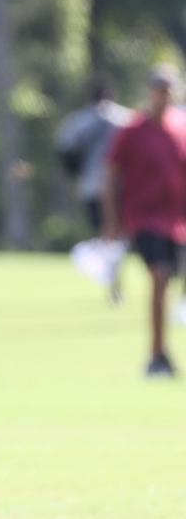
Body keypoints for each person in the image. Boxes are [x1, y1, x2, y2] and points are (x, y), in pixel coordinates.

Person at [102, 64, 186, 377]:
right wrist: (112, 222)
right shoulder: (133, 131)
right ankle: (156, 355)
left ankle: (161, 352)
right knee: (161, 277)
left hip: (177, 222)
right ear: (150, 91)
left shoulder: (181, 128)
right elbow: (111, 177)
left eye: (168, 89)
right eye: (158, 88)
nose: (163, 95)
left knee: (169, 284)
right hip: (144, 218)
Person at [55, 76, 132, 303]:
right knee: (118, 235)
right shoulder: (125, 118)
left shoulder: (79, 120)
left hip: (91, 184)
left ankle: (112, 283)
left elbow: (64, 148)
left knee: (104, 233)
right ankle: (115, 283)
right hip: (120, 185)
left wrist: (76, 172)